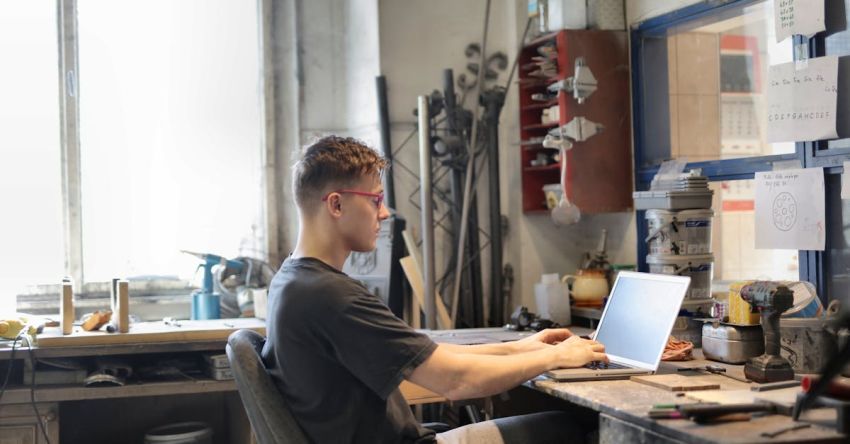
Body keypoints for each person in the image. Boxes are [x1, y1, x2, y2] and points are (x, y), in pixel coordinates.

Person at [262, 136, 608, 444]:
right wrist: (555, 357)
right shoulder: (330, 295)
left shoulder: (293, 282)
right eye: (375, 199)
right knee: (568, 427)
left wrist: (519, 348)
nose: (383, 213)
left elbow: (431, 355)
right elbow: (456, 381)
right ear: (336, 204)